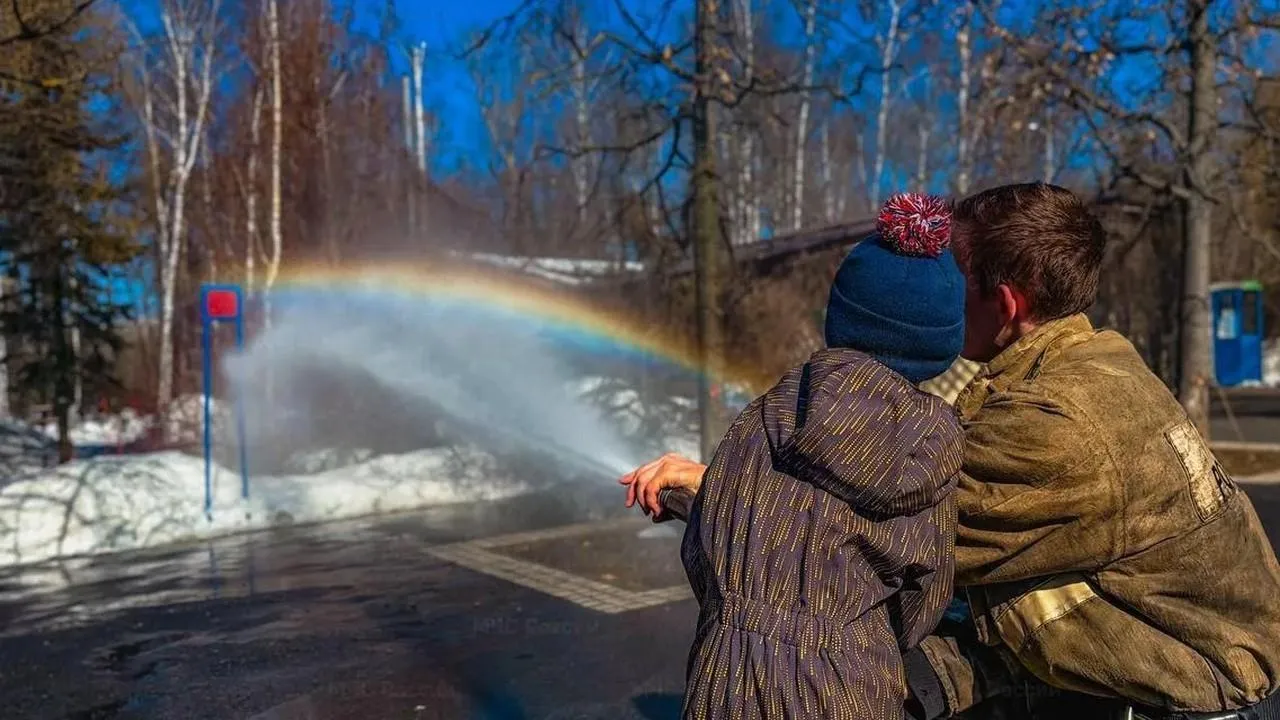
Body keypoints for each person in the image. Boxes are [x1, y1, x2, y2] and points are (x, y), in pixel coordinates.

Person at [622, 183, 1280, 720]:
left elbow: (862, 535)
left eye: (951, 275)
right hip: (1137, 635)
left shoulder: (1058, 424)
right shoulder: (1089, 365)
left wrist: (725, 486)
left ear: (1005, 302)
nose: (937, 287)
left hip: (1184, 683)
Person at [668, 193, 967, 720]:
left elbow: (705, 543)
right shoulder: (933, 448)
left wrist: (739, 613)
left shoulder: (764, 415)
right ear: (940, 346)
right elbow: (927, 592)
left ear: (841, 316)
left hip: (726, 679)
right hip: (852, 687)